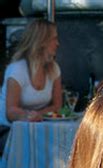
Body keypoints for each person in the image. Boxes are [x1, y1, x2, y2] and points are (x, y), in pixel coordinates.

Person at [0, 19, 62, 151]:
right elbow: (10, 113)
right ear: (41, 42)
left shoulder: (53, 68)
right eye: (54, 39)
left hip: (36, 128)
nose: (58, 43)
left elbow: (57, 105)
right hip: (7, 129)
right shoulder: (17, 70)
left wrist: (37, 115)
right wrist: (29, 116)